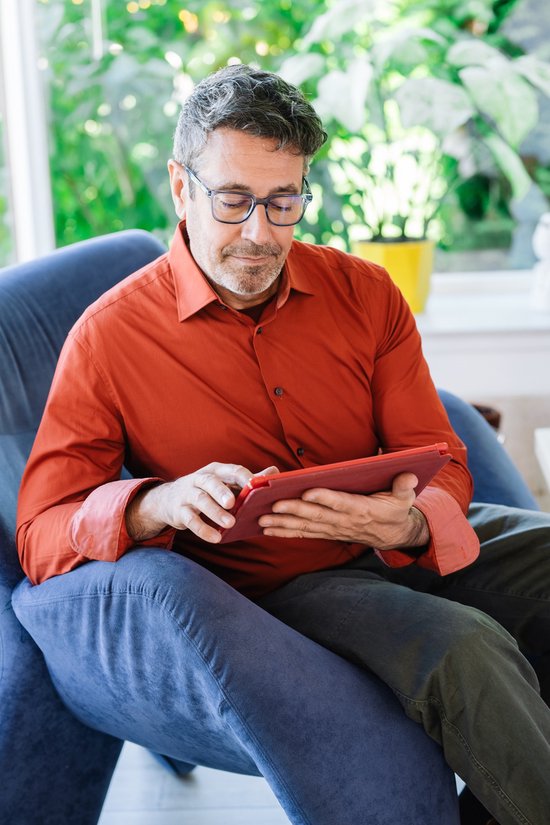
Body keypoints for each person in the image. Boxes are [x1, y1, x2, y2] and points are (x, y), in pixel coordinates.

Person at [16, 65, 550, 825]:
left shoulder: (365, 293)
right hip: (283, 589)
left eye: (284, 201)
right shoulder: (109, 338)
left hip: (400, 538)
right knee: (466, 648)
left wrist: (413, 519)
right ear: (181, 187)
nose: (261, 234)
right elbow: (40, 534)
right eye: (234, 201)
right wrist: (151, 503)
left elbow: (442, 452)